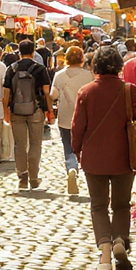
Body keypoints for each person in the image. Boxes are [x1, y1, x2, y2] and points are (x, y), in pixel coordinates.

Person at [71, 46, 136, 270]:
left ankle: (105, 253)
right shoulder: (129, 90)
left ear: (94, 66)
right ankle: (119, 240)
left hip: (94, 158)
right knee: (121, 204)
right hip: (123, 156)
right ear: (118, 66)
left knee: (98, 205)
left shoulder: (86, 92)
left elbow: (78, 128)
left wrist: (77, 151)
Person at [3, 40, 53, 190]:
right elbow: (46, 92)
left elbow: (6, 94)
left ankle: (22, 176)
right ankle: (34, 176)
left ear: (19, 51)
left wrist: (6, 112)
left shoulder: (11, 69)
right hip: (36, 110)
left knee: (19, 144)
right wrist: (49, 110)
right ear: (33, 52)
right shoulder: (40, 69)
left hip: (16, 111)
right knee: (35, 143)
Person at [49, 46, 93, 196]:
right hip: (85, 115)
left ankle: (72, 168)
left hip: (66, 116)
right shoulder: (88, 76)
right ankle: (86, 172)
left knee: (68, 146)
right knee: (85, 146)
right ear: (82, 59)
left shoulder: (59, 75)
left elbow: (53, 95)